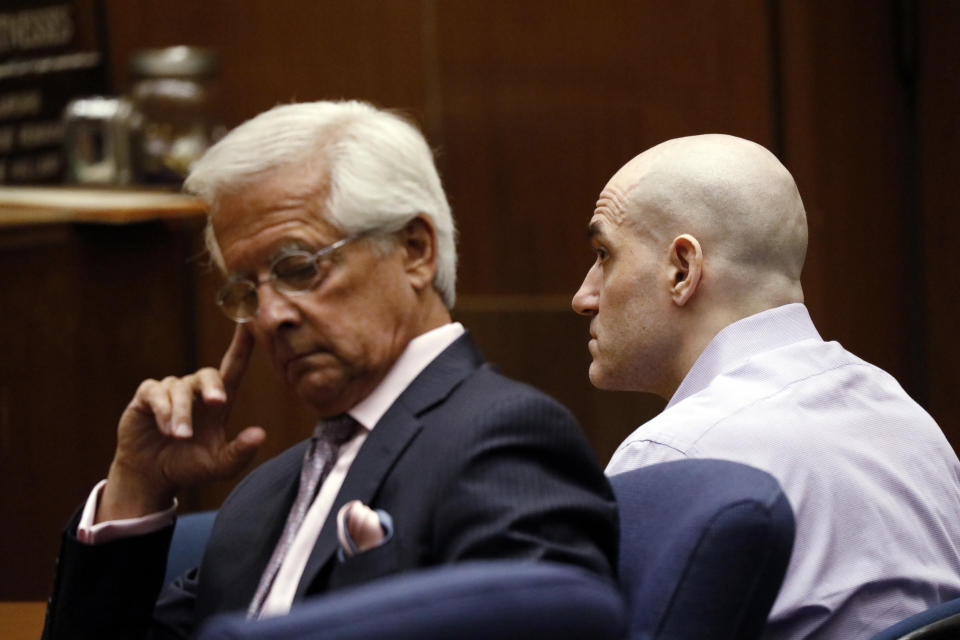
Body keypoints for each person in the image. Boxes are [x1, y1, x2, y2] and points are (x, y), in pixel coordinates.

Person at [43, 100, 618, 639]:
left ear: (415, 250)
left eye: (298, 268)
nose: (268, 317)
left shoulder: (504, 438)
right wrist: (135, 486)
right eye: (246, 290)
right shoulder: (263, 495)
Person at [572, 133, 960, 639]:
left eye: (604, 254)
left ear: (681, 270)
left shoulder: (674, 458)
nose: (584, 296)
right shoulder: (907, 420)